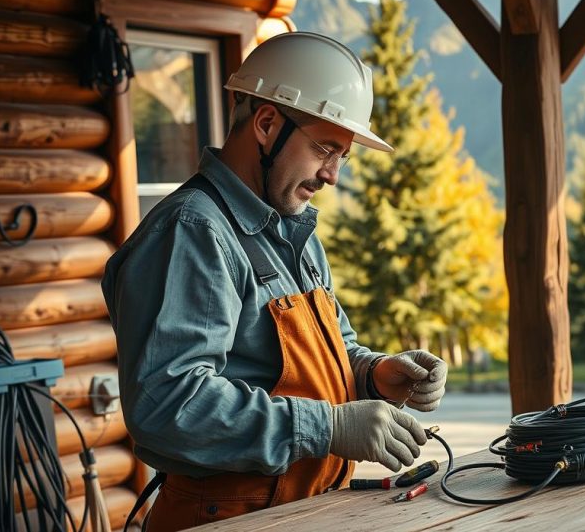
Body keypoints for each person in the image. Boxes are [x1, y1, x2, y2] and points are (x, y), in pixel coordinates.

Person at [102, 32, 448, 531]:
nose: (332, 174)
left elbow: (324, 354)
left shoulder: (295, 230)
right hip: (223, 518)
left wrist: (375, 373)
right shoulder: (192, 233)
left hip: (302, 510)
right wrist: (326, 426)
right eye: (325, 148)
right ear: (266, 124)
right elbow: (167, 405)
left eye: (343, 156)